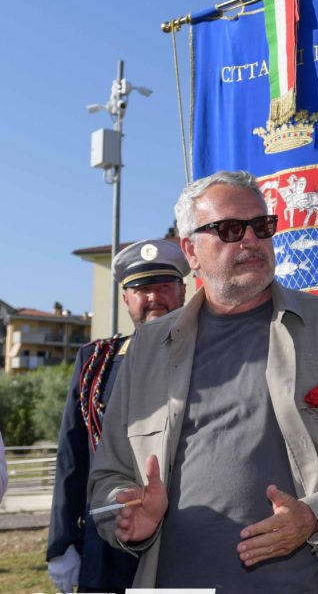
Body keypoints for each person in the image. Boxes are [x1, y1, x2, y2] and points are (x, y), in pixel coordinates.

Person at [89, 170, 318, 593]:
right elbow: (107, 478)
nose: (251, 241)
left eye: (262, 226)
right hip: (178, 582)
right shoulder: (150, 347)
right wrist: (127, 514)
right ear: (191, 250)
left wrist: (316, 516)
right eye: (229, 229)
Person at [47, 239, 189, 594]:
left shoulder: (209, 357)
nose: (154, 297)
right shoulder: (96, 362)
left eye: (164, 286)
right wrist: (63, 541)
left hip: (186, 542)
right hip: (108, 544)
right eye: (141, 289)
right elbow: (72, 459)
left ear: (183, 292)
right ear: (126, 299)